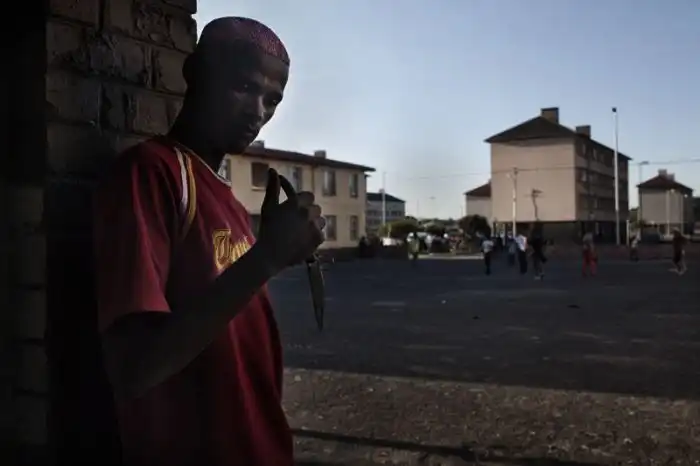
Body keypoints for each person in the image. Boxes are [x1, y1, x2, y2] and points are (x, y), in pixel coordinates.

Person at [93, 17, 324, 466]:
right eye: (244, 86)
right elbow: (134, 367)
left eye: (272, 100)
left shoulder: (227, 199)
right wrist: (267, 257)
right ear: (195, 72)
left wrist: (276, 249)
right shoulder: (152, 173)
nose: (258, 111)